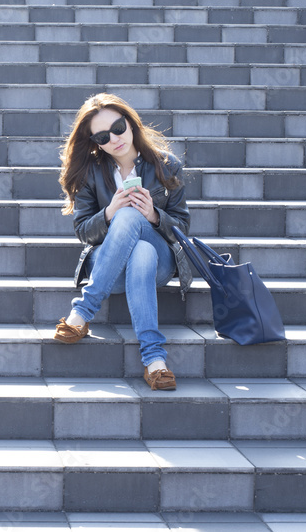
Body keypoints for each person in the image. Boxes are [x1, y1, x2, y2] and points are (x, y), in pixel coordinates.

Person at [53, 93, 191, 391]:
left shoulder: (167, 166)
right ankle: (154, 361)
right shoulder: (91, 173)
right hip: (108, 268)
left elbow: (182, 227)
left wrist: (154, 216)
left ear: (130, 122)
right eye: (103, 136)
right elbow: (84, 232)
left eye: (117, 127)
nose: (114, 138)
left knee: (138, 233)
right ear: (95, 142)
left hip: (159, 264)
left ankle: (82, 313)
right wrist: (110, 212)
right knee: (129, 228)